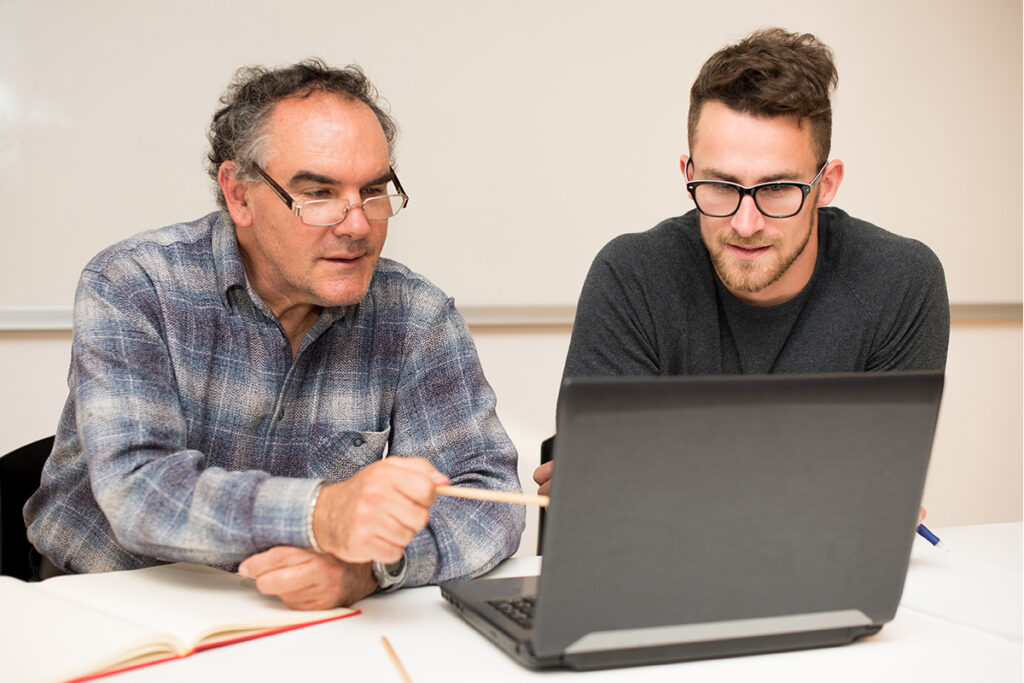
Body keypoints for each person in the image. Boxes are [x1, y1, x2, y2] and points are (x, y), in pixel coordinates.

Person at [25, 60, 524, 609]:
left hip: (299, 619)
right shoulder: (133, 285)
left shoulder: (416, 315)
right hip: (106, 604)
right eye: (318, 193)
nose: (357, 224)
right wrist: (321, 514)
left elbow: (489, 498)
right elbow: (140, 489)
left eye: (374, 190)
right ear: (239, 194)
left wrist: (373, 570)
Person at [534, 28, 949, 497]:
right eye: (721, 187)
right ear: (689, 174)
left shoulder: (900, 281)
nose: (746, 222)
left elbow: (878, 491)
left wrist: (660, 472)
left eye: (776, 189)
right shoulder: (632, 275)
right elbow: (602, 496)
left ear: (827, 183)